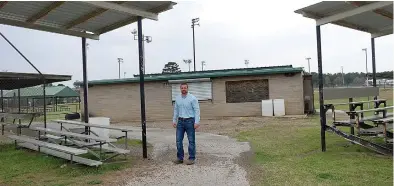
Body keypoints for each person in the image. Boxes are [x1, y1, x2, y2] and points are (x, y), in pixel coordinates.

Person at [172, 82, 200, 165]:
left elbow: (197, 110)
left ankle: (191, 158)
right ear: (180, 89)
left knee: (191, 141)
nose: (183, 89)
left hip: (190, 121)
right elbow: (176, 110)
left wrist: (197, 122)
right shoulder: (177, 98)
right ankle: (180, 158)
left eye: (185, 88)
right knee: (178, 141)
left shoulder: (192, 98)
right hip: (180, 122)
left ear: (187, 88)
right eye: (182, 88)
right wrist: (174, 120)